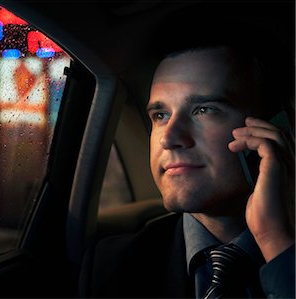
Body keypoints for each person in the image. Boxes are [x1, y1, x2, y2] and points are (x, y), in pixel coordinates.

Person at [79, 12, 295, 299]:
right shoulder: (111, 266)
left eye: (203, 110)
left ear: (277, 125)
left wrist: (277, 243)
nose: (169, 138)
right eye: (160, 115)